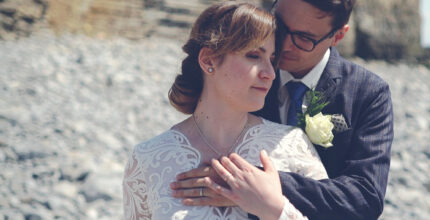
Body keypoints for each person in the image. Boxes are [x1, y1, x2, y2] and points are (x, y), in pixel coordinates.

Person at [171, 0, 394, 219]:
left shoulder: (368, 92)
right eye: (281, 26)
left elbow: (366, 196)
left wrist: (261, 184)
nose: (284, 45)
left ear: (338, 36)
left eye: (304, 39)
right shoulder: (241, 77)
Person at [122, 2, 328, 219]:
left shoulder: (292, 145)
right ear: (208, 60)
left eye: (272, 59)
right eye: (254, 56)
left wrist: (273, 209)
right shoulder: (147, 158)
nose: (270, 73)